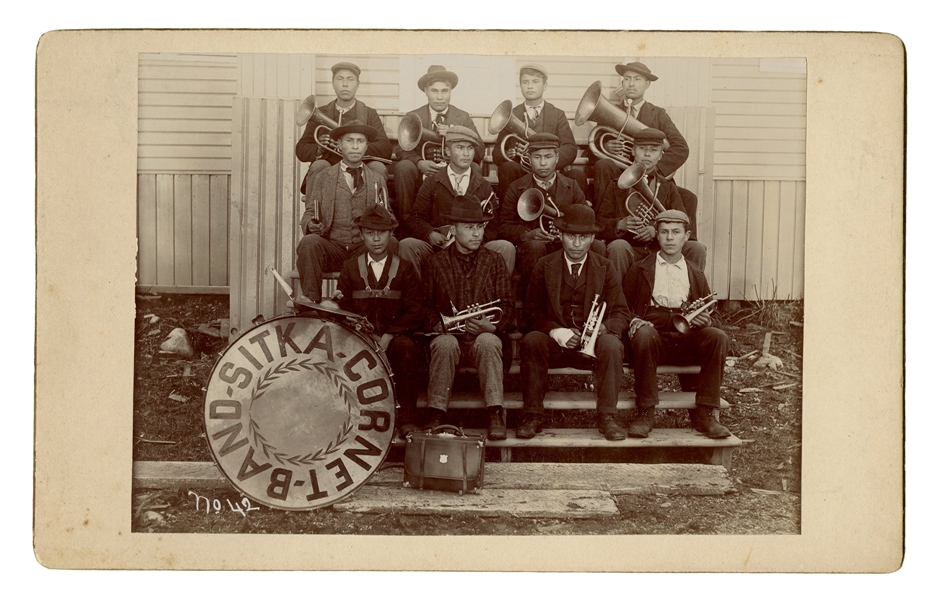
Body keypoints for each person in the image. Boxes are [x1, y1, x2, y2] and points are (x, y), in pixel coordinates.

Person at [517, 205, 632, 441]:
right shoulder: (544, 265)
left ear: (592, 238)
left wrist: (605, 328)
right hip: (557, 345)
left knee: (612, 345)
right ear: (560, 236)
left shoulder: (606, 266)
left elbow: (621, 311)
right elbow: (531, 313)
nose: (577, 244)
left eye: (583, 237)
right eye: (571, 236)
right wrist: (556, 331)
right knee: (531, 340)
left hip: (594, 346)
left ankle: (607, 416)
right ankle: (533, 414)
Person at [622, 209, 731, 440]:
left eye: (676, 232)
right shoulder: (639, 269)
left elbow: (714, 314)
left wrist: (707, 320)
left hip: (686, 339)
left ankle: (705, 413)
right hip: (653, 338)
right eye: (664, 232)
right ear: (657, 236)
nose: (669, 238)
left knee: (717, 337)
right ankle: (646, 413)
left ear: (686, 236)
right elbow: (621, 308)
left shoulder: (695, 272)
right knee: (643, 335)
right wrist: (635, 320)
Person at [421, 195, 515, 440]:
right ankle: (436, 413)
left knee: (488, 342)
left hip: (481, 339)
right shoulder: (434, 263)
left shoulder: (494, 261)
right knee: (444, 344)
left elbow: (507, 305)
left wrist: (491, 326)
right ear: (453, 229)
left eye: (480, 227)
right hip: (449, 335)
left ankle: (495, 411)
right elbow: (423, 305)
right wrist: (439, 324)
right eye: (469, 227)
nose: (476, 234)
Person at [335, 204, 424, 436]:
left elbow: (415, 310)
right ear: (362, 235)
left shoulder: (405, 269)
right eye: (370, 233)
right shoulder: (350, 268)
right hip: (359, 337)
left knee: (407, 350)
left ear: (391, 233)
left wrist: (390, 334)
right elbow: (342, 308)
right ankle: (353, 420)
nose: (376, 239)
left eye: (382, 233)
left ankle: (406, 419)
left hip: (394, 339)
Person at [590, 61, 699, 234]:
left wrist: (653, 169)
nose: (631, 83)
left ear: (647, 84)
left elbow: (681, 148)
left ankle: (687, 246)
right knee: (603, 165)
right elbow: (593, 149)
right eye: (627, 79)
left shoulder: (658, 114)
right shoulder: (610, 111)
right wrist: (606, 145)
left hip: (650, 179)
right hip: (618, 179)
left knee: (689, 198)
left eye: (637, 79)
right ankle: (603, 229)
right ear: (622, 82)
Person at [295, 120, 394, 303]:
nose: (355, 146)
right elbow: (309, 212)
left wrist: (382, 222)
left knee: (392, 243)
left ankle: (378, 303)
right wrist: (311, 224)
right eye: (349, 141)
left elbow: (389, 215)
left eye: (360, 141)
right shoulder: (324, 177)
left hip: (363, 249)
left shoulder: (377, 179)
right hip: (333, 249)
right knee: (308, 242)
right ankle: (311, 301)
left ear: (366, 147)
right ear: (339, 145)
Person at [498, 133, 603, 300]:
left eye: (548, 156)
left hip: (566, 244)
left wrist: (566, 229)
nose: (543, 162)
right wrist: (527, 234)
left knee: (598, 247)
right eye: (537, 157)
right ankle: (532, 307)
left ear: (557, 157)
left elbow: (587, 221)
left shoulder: (573, 186)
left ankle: (589, 302)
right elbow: (504, 227)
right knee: (535, 247)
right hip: (534, 248)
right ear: (529, 158)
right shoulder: (516, 187)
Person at [401, 125, 515, 278]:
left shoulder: (483, 185)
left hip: (475, 247)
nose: (466, 154)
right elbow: (415, 218)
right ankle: (423, 298)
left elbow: (493, 224)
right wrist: (430, 234)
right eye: (460, 148)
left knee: (506, 247)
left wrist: (478, 240)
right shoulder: (431, 182)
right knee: (407, 245)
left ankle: (489, 297)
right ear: (447, 152)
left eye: (470, 148)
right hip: (439, 247)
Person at [599, 128, 707, 276]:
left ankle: (693, 297)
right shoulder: (615, 185)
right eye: (642, 148)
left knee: (697, 248)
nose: (647, 154)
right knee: (618, 247)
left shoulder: (668, 187)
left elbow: (682, 220)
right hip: (630, 247)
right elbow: (600, 222)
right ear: (632, 151)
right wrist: (620, 224)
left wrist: (655, 230)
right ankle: (617, 299)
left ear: (661, 155)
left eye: (654, 150)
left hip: (660, 247)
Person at [392, 65, 482, 236]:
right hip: (424, 173)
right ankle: (407, 227)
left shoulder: (462, 117)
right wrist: (419, 162)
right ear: (426, 91)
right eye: (434, 91)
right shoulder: (414, 115)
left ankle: (467, 226)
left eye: (444, 91)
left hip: (454, 170)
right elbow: (401, 149)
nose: (440, 97)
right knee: (403, 167)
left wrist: (454, 132)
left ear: (450, 91)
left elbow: (480, 152)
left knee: (475, 169)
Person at [295, 61, 392, 195]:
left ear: (357, 85)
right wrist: (318, 149)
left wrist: (357, 147)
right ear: (333, 83)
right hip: (330, 165)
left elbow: (385, 147)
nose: (345, 84)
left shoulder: (369, 113)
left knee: (378, 168)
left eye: (350, 79)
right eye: (340, 79)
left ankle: (375, 214)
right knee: (319, 166)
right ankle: (313, 214)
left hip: (361, 164)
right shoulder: (320, 113)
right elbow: (301, 149)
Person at [492, 64, 588, 199]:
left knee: (577, 176)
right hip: (522, 174)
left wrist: (548, 159)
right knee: (507, 168)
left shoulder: (557, 114)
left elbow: (570, 148)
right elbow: (497, 153)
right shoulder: (510, 114)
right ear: (520, 86)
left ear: (545, 86)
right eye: (525, 82)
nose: (529, 86)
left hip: (552, 172)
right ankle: (507, 217)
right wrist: (508, 153)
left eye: (535, 82)